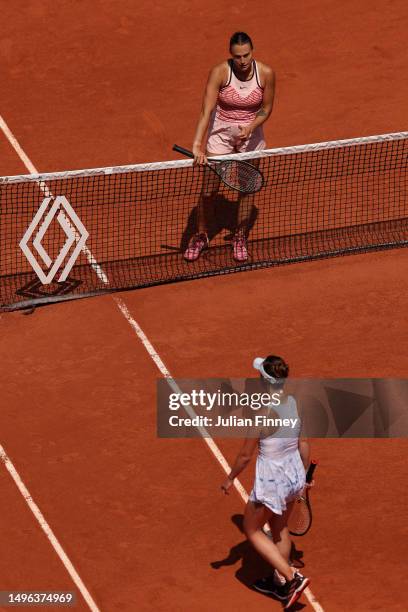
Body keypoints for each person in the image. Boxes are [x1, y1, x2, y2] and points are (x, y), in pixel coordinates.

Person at [220, 355, 311, 610]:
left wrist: (230, 479)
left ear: (265, 381)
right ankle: (279, 583)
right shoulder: (294, 403)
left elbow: (246, 455)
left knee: (251, 528)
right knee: (279, 528)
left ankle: (292, 577)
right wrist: (303, 477)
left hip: (273, 481)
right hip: (293, 474)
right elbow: (303, 443)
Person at [184, 32, 275, 262]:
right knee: (208, 190)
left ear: (252, 52)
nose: (243, 61)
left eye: (246, 55)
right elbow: (206, 110)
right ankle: (201, 235)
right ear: (231, 55)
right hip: (221, 134)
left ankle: (240, 235)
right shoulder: (219, 73)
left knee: (247, 188)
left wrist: (252, 126)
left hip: (251, 136)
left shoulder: (265, 74)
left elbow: (266, 108)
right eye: (237, 57)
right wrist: (197, 144)